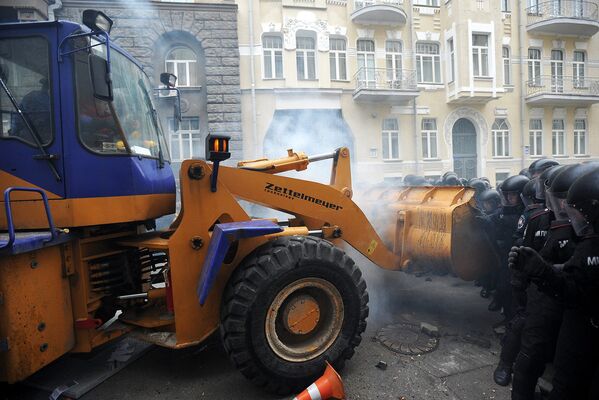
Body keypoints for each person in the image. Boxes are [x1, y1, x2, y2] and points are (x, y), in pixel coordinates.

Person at [508, 165, 599, 400]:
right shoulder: (551, 227)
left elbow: (580, 283)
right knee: (534, 350)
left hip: (581, 321)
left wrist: (546, 272)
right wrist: (536, 271)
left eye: (569, 205)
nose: (562, 209)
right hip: (554, 305)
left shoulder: (589, 243)